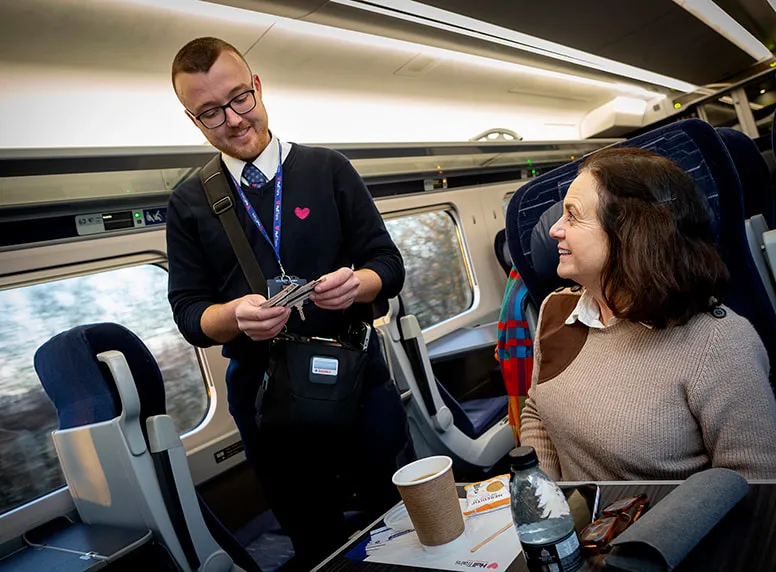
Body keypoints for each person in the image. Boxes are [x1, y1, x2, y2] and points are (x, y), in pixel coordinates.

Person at [166, 37, 414, 569]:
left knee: (397, 514)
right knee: (314, 536)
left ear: (258, 87)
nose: (232, 120)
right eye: (210, 112)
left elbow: (388, 266)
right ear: (193, 120)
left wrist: (359, 284)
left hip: (355, 371)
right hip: (266, 393)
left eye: (239, 99)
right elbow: (189, 314)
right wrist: (233, 316)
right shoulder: (188, 202)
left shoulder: (328, 169)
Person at [520, 147, 776, 481]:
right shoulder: (556, 311)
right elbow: (537, 411)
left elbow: (755, 487)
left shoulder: (720, 342)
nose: (554, 229)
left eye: (572, 215)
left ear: (629, 233)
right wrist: (543, 502)